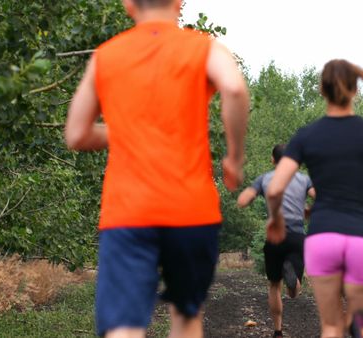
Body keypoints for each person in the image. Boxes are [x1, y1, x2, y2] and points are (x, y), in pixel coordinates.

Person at [64, 0, 250, 337]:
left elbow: (76, 133)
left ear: (128, 4)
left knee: (123, 326)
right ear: (178, 3)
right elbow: (235, 88)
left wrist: (126, 130)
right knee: (186, 316)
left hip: (128, 212)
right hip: (192, 210)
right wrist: (234, 158)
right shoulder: (204, 47)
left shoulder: (106, 55)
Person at [263, 59, 363, 338]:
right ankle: (360, 324)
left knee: (331, 324)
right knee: (361, 314)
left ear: (322, 90)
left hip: (323, 239)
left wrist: (275, 220)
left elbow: (274, 189)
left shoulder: (305, 137)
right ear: (355, 91)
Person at [237, 144, 315, 338]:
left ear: (273, 160)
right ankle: (293, 280)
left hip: (274, 238)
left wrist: (248, 195)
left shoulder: (264, 179)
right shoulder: (304, 179)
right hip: (296, 236)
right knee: (294, 292)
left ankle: (278, 331)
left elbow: (243, 200)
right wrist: (308, 211)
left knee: (273, 285)